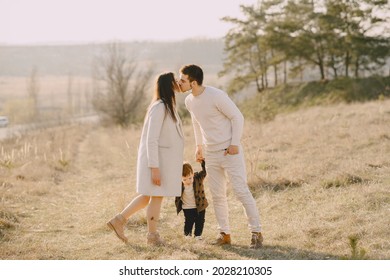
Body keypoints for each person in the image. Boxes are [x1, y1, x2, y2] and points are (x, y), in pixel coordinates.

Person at [178, 64, 263, 249]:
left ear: (193, 82)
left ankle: (256, 232)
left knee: (241, 191)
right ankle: (224, 234)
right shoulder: (189, 101)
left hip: (229, 151)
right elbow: (196, 123)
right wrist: (199, 147)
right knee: (217, 196)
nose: (179, 83)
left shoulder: (216, 96)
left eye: (182, 80)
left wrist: (234, 143)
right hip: (211, 154)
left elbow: (237, 117)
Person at [107, 72, 184, 246]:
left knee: (147, 196)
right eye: (175, 81)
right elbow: (152, 139)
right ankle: (152, 237)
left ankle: (119, 220)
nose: (179, 83)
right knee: (156, 197)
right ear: (169, 84)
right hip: (157, 163)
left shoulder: (167, 106)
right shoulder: (160, 107)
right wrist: (154, 168)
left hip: (162, 162)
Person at [175, 160, 208, 240]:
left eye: (190, 178)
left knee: (200, 221)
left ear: (193, 174)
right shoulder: (178, 184)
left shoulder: (197, 178)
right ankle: (187, 235)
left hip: (200, 206)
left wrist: (202, 163)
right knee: (188, 221)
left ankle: (198, 235)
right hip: (187, 207)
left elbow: (204, 172)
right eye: (184, 180)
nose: (188, 181)